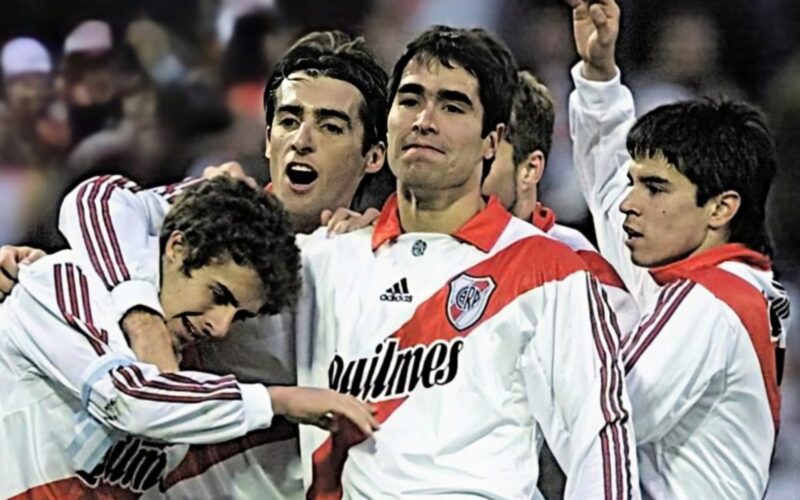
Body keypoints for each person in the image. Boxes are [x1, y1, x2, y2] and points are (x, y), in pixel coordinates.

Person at [0, 30, 392, 499]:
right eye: (289, 120)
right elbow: (94, 200)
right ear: (267, 139)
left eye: (331, 126)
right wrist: (140, 316)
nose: (302, 141)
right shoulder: (218, 214)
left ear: (374, 155)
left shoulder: (381, 259)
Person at [295, 25, 639, 498]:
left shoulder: (547, 269)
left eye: (453, 106)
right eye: (410, 100)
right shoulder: (322, 262)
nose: (425, 120)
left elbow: (599, 436)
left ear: (491, 141)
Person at [0, 176, 378, 498]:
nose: (221, 327)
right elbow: (131, 400)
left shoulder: (188, 362)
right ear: (177, 248)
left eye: (240, 314)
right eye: (218, 296)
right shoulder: (64, 281)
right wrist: (279, 400)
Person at [565, 1, 790, 498]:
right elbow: (605, 183)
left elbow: (606, 416)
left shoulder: (709, 302)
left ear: (720, 208)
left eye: (655, 188)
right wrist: (600, 73)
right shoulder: (715, 278)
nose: (629, 204)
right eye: (635, 183)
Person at [483, 69, 637, 333]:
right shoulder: (419, 248)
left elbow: (617, 368)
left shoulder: (580, 271)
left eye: (486, 155)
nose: (462, 171)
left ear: (529, 170)